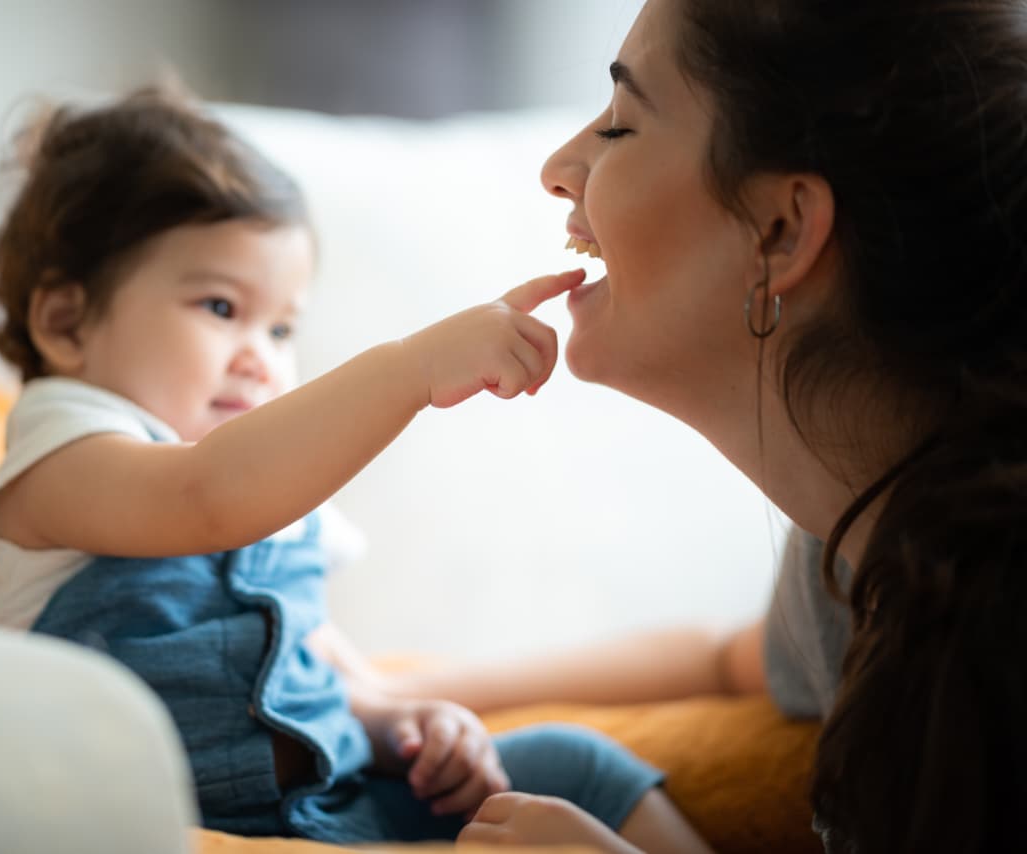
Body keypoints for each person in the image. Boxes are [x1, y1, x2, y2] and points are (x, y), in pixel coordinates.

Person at [0, 86, 711, 850]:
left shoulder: (269, 505)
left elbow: (331, 683)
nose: (261, 358)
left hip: (335, 809)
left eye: (283, 328)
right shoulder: (63, 451)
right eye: (221, 308)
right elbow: (205, 496)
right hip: (185, 828)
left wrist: (408, 728)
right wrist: (412, 368)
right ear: (65, 323)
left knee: (573, 766)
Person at [430, 0, 1027, 851]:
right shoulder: (850, 556)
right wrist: (407, 694)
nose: (557, 169)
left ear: (780, 231)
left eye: (621, 125)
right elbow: (731, 661)